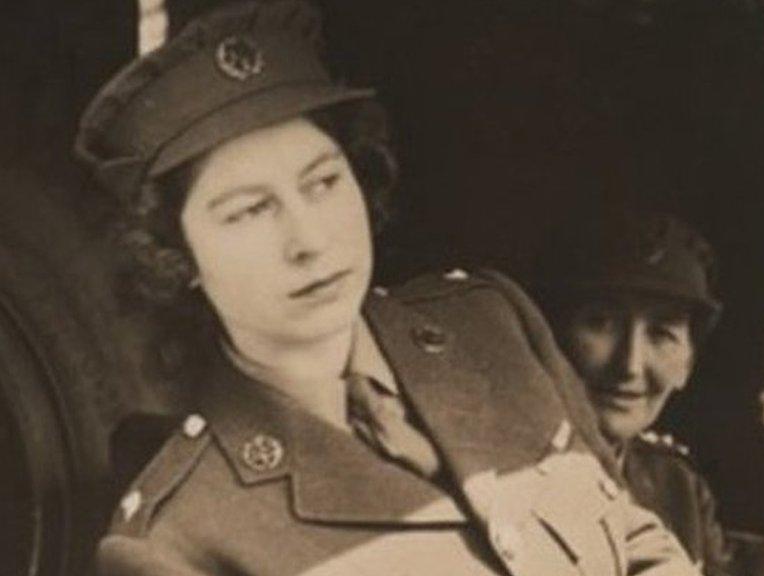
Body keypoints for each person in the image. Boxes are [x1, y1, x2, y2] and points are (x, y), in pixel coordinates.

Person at [74, 2, 701, 575]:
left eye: (322, 183)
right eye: (249, 211)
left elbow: (630, 536)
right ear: (174, 256)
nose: (310, 239)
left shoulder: (489, 325)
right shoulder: (174, 540)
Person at [533, 208, 735, 575]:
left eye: (661, 334)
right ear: (551, 340)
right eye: (601, 323)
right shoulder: (500, 471)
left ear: (687, 366)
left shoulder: (677, 488)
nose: (629, 365)